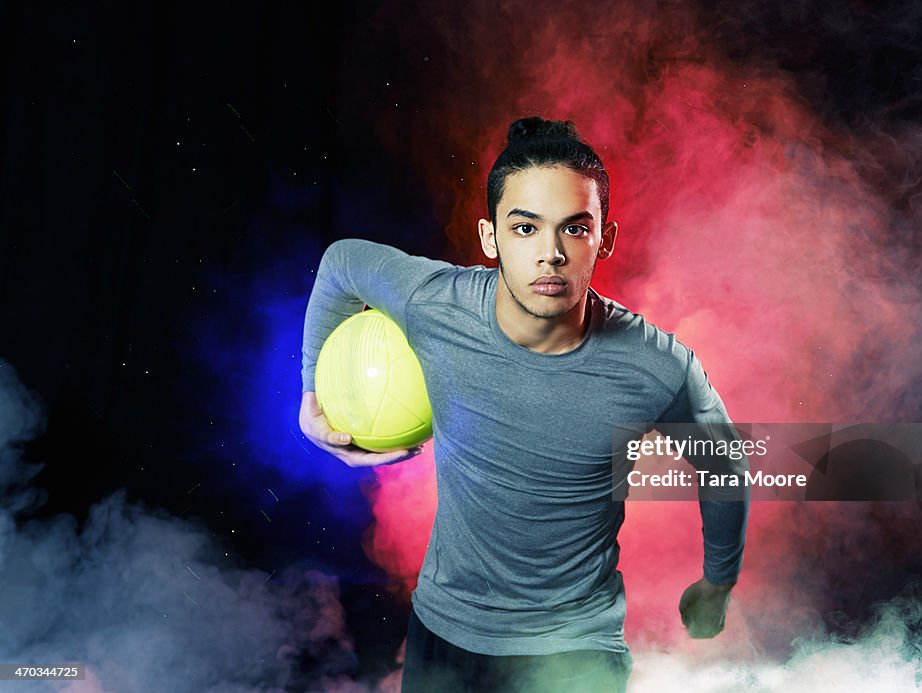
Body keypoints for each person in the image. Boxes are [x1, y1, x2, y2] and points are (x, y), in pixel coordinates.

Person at [298, 116, 750, 692]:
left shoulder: (657, 366)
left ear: (604, 238)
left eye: (575, 229)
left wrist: (717, 583)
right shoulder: (435, 305)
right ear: (490, 237)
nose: (551, 254)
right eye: (525, 228)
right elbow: (341, 262)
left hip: (575, 652)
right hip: (445, 634)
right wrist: (312, 396)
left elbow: (725, 466)